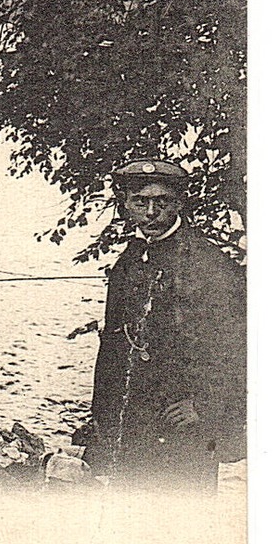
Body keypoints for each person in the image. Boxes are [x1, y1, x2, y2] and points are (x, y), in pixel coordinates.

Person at [80, 159, 246, 492]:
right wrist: (101, 416)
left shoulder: (209, 263)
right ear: (126, 204)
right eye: (141, 201)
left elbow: (238, 345)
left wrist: (205, 406)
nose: (151, 212)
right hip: (132, 421)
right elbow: (113, 345)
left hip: (183, 422)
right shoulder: (129, 261)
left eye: (162, 202)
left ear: (179, 203)